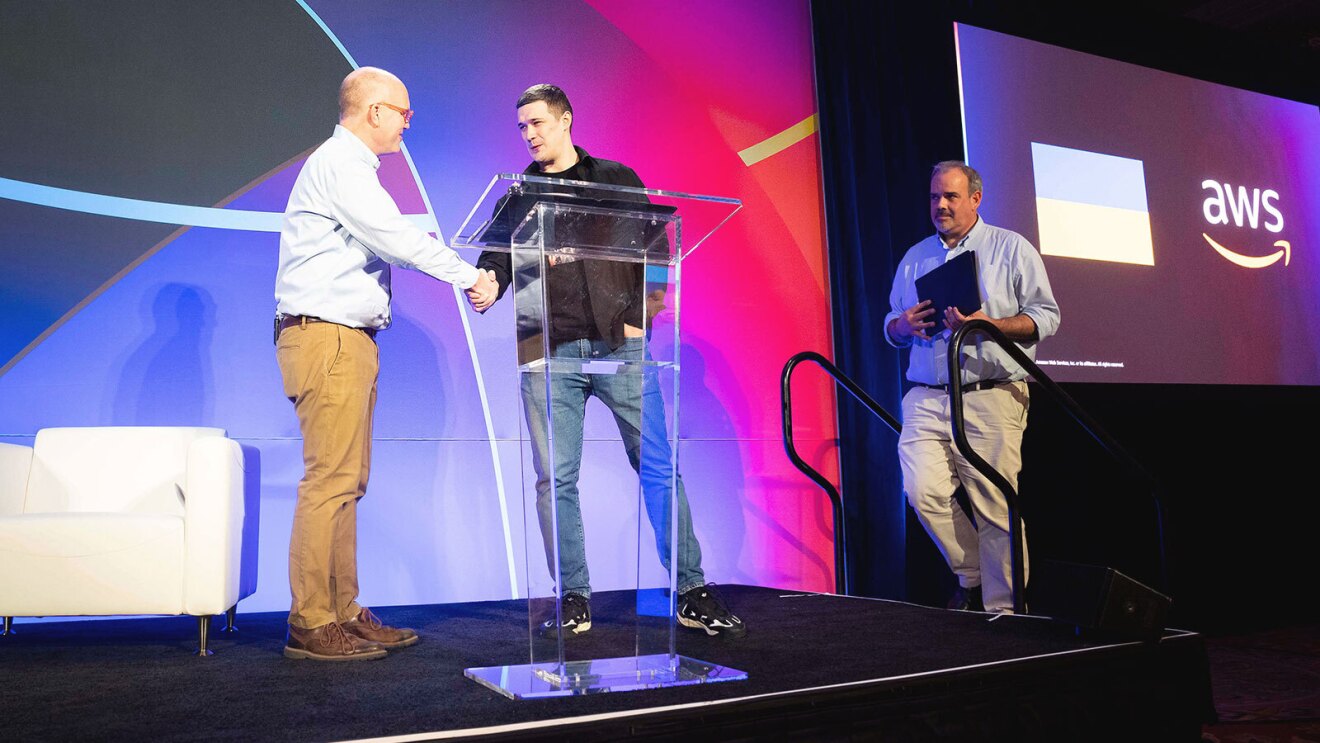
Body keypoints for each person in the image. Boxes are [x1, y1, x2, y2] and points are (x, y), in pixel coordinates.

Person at [468, 84, 745, 638]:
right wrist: (488, 283)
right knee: (556, 480)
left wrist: (642, 316)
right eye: (522, 127)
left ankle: (690, 590)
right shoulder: (518, 196)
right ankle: (572, 597)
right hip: (548, 351)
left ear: (567, 119)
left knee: (658, 466)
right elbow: (495, 258)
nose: (530, 135)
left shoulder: (617, 180)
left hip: (622, 349)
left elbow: (660, 248)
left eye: (538, 122)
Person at [274, 67, 498, 661]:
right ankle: (310, 619)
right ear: (373, 111)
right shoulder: (341, 163)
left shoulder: (349, 166)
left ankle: (343, 610)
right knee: (329, 481)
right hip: (328, 337)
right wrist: (471, 275)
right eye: (403, 111)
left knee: (348, 481)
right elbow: (395, 237)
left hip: (346, 338)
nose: (407, 122)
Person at [884, 161, 1060, 614]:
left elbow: (1046, 317)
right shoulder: (915, 256)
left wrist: (992, 326)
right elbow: (891, 325)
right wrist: (902, 326)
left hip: (991, 392)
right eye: (934, 197)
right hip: (928, 394)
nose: (940, 206)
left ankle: (1004, 614)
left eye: (951, 197)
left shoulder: (1010, 248)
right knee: (922, 491)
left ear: (975, 199)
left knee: (994, 504)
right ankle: (975, 576)